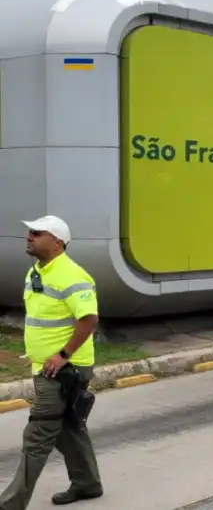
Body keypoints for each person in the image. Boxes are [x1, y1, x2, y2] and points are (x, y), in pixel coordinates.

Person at [0, 216, 103, 509]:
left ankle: (11, 502)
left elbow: (89, 319)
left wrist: (63, 355)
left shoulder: (73, 275)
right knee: (68, 427)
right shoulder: (36, 271)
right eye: (29, 233)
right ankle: (88, 484)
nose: (29, 237)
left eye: (37, 233)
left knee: (39, 431)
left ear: (56, 242)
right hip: (45, 367)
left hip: (64, 370)